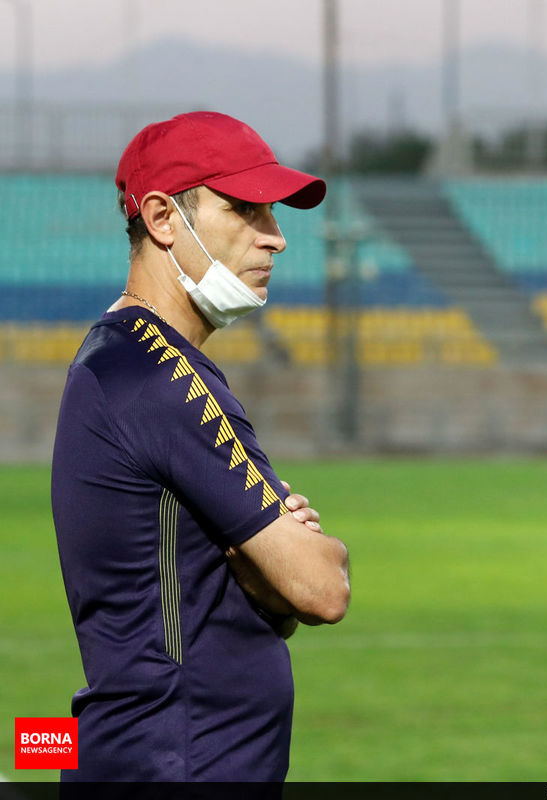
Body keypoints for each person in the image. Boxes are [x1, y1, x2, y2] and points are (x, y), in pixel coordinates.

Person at [51, 111, 351, 782]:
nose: (275, 239)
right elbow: (322, 588)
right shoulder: (161, 378)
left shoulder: (123, 358)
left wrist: (266, 574)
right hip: (177, 766)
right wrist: (291, 556)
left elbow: (270, 600)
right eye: (247, 209)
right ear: (162, 218)